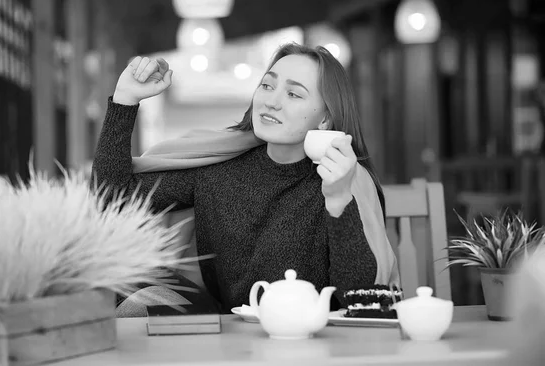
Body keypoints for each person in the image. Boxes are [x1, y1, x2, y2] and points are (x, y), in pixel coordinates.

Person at [92, 43, 399, 313]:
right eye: (267, 86)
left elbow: (357, 302)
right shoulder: (219, 165)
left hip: (314, 336)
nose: (272, 101)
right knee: (126, 283)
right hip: (223, 329)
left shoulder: (341, 178)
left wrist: (339, 200)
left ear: (325, 118)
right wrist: (125, 100)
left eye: (293, 94)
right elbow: (113, 199)